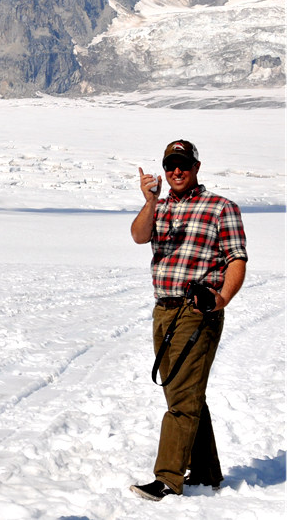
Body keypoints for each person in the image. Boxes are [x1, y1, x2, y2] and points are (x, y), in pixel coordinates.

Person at [128, 139, 248, 501]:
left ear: (197, 167)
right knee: (182, 391)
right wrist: (150, 201)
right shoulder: (159, 208)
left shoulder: (220, 208)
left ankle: (167, 478)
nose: (176, 171)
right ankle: (208, 471)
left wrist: (222, 298)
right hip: (163, 309)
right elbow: (138, 236)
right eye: (170, 165)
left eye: (183, 164)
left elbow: (236, 259)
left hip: (197, 312)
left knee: (181, 396)